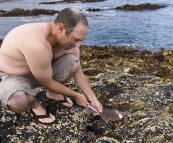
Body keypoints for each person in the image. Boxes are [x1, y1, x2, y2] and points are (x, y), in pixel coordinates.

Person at [0, 7, 102, 125]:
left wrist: (92, 98)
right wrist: (76, 95)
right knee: (18, 101)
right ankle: (34, 104)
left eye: (81, 40)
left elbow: (78, 72)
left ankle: (52, 93)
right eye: (75, 39)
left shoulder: (70, 45)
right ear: (61, 28)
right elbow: (46, 81)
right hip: (13, 75)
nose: (78, 45)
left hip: (41, 72)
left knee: (74, 63)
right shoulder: (37, 43)